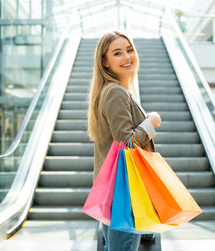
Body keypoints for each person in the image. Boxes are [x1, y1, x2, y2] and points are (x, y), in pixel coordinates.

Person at [87, 31, 161, 251]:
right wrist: (151, 122)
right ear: (105, 62)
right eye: (117, 53)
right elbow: (126, 142)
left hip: (113, 187)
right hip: (123, 189)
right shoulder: (115, 92)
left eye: (129, 50)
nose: (127, 57)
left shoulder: (112, 91)